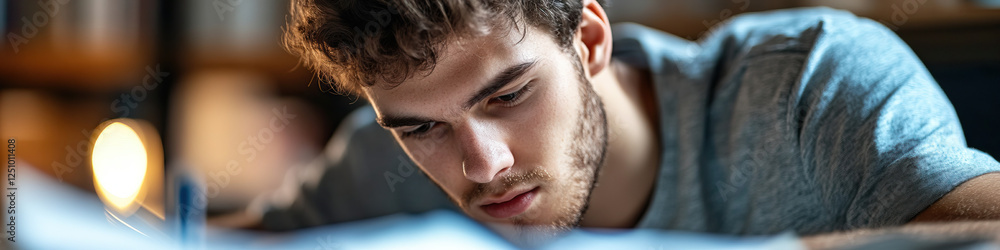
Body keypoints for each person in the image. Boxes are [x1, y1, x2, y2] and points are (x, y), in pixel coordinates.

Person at [267, 0, 1000, 247]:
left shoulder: (809, 82)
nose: (482, 166)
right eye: (422, 128)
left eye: (507, 95)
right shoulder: (379, 162)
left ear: (588, 42)